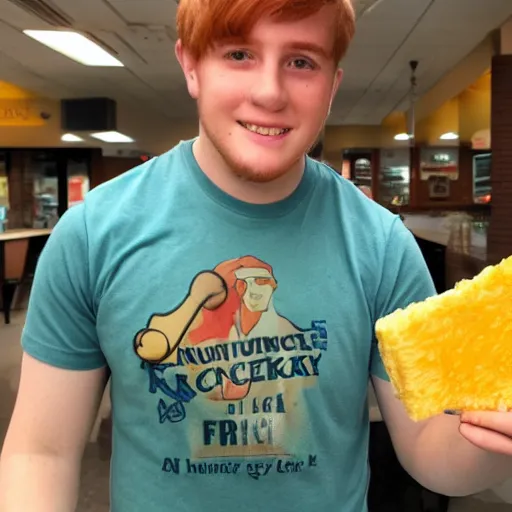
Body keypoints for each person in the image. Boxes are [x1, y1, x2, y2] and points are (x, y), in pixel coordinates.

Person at [1, 0, 511, 510]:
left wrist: (497, 427)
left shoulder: (381, 247)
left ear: (332, 85)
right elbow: (41, 453)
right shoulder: (93, 234)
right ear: (191, 66)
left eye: (301, 61)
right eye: (240, 54)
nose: (269, 92)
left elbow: (431, 451)